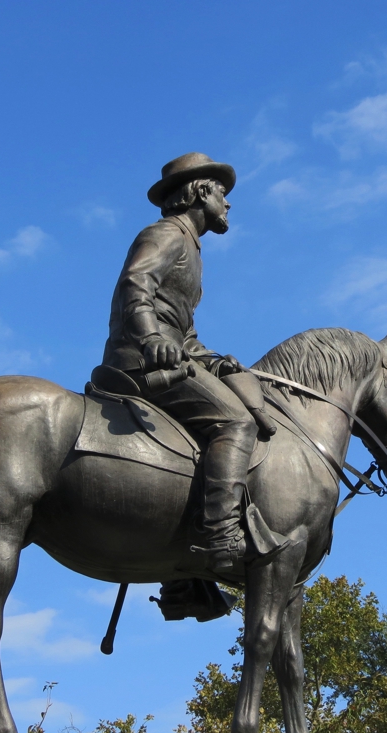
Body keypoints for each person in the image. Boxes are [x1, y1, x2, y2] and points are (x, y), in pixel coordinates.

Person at [100, 152, 283, 573]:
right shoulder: (166, 234)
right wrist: (149, 338)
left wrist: (216, 361)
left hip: (166, 355)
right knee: (237, 422)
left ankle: (184, 579)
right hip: (142, 362)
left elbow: (184, 335)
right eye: (222, 192)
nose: (228, 202)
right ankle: (219, 538)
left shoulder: (192, 250)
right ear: (201, 192)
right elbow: (135, 286)